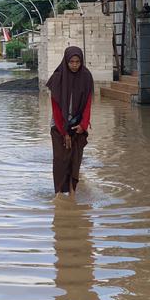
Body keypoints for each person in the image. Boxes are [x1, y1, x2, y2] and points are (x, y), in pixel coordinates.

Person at [47, 46, 93, 196]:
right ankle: (59, 193)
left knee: (75, 160)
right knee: (60, 159)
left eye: (78, 61)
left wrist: (84, 125)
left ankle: (73, 192)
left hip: (78, 125)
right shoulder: (57, 78)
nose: (74, 65)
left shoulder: (86, 76)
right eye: (71, 62)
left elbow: (88, 103)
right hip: (59, 125)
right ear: (66, 61)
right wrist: (64, 132)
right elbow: (56, 107)